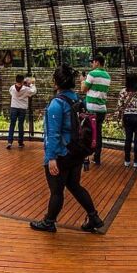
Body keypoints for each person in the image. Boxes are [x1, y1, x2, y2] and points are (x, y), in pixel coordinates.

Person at [29, 64, 105, 234]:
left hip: (62, 154)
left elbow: (53, 134)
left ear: (56, 83)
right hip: (76, 152)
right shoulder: (77, 99)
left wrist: (51, 158)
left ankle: (49, 222)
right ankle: (93, 217)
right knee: (74, 185)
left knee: (57, 191)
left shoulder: (57, 104)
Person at [80, 54, 110, 166]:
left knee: (87, 133)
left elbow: (83, 89)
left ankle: (86, 156)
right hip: (102, 109)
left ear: (97, 62)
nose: (91, 64)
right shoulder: (107, 76)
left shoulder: (92, 74)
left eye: (92, 62)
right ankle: (97, 157)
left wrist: (83, 80)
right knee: (98, 134)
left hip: (91, 109)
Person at [115, 73, 137, 168]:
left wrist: (118, 117)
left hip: (128, 117)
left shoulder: (123, 91)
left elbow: (120, 106)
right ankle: (136, 161)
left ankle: (127, 160)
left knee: (128, 139)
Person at [6, 75, 37, 149]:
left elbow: (11, 93)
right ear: (22, 81)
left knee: (12, 125)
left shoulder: (12, 88)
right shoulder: (26, 89)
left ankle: (9, 142)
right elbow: (34, 91)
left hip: (13, 108)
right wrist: (31, 84)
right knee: (20, 125)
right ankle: (20, 143)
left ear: (16, 80)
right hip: (22, 109)